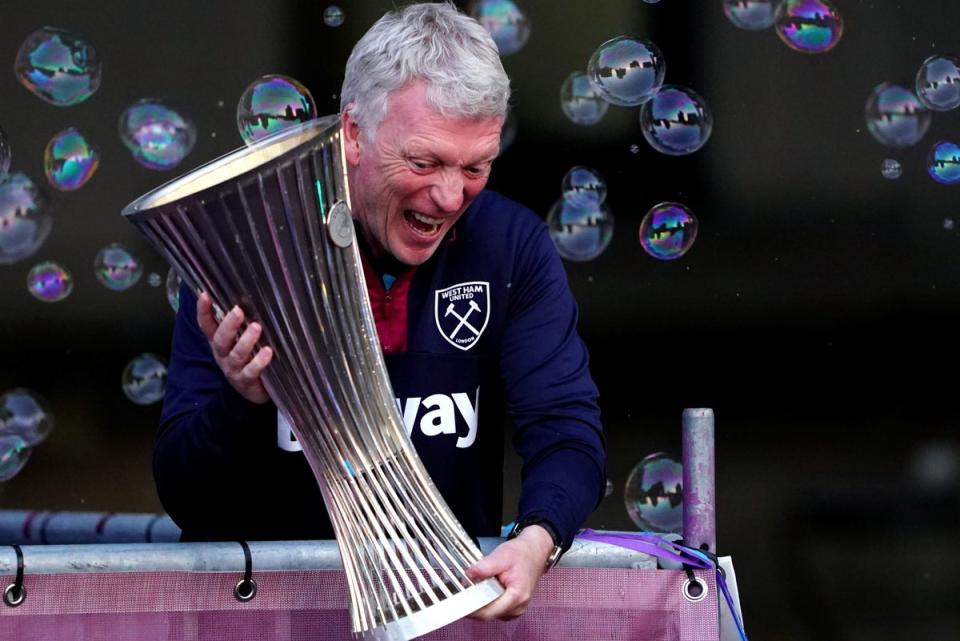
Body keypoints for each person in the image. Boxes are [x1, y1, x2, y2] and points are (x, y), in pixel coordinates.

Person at [155, 1, 605, 621]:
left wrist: (537, 539)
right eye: (423, 162)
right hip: (254, 621)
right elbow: (187, 501)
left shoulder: (510, 246)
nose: (449, 196)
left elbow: (566, 433)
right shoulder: (246, 247)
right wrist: (244, 400)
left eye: (475, 166)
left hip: (441, 621)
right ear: (354, 135)